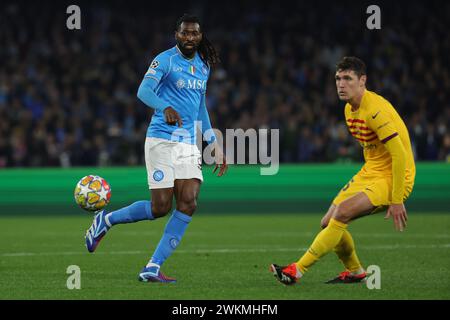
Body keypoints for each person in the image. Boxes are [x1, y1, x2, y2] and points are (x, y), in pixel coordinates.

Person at [85, 14, 227, 283]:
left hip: (187, 143)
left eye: (194, 33)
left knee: (188, 203)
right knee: (160, 207)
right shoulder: (164, 60)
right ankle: (106, 220)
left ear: (200, 36)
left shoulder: (204, 65)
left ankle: (152, 266)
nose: (189, 38)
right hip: (161, 139)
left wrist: (214, 143)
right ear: (176, 34)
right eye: (185, 33)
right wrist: (165, 107)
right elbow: (143, 91)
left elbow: (200, 108)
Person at [270, 57, 416, 285]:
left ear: (362, 81)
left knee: (343, 211)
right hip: (372, 171)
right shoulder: (349, 110)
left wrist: (396, 199)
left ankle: (296, 270)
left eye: (348, 78)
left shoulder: (376, 111)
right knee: (328, 222)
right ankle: (356, 271)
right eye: (338, 78)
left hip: (396, 175)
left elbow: (399, 155)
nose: (341, 84)